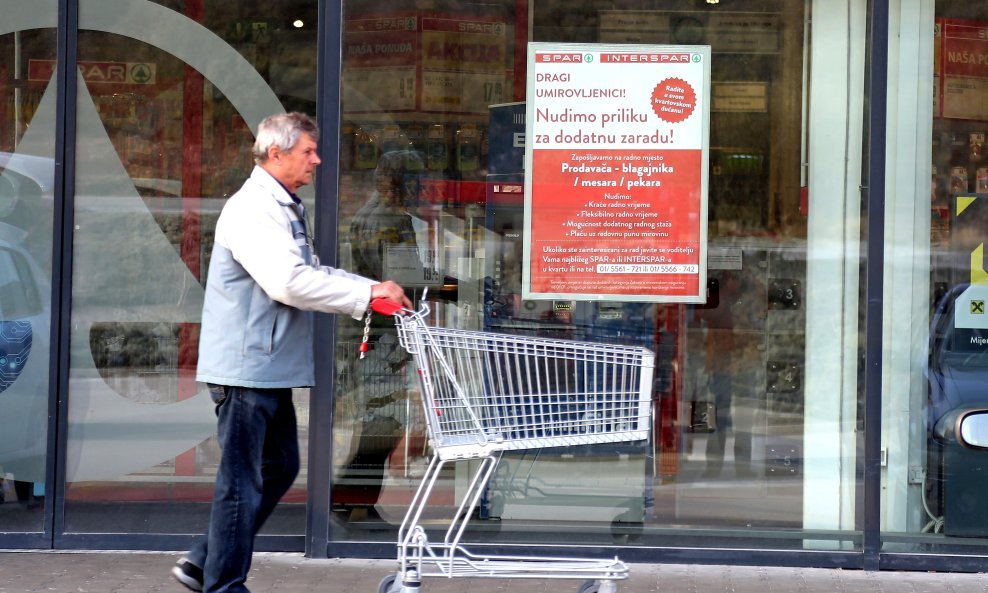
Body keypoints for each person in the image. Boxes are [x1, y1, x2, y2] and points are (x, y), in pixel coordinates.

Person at [171, 112, 411, 593]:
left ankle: (203, 561)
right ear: (275, 154)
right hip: (247, 368)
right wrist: (366, 297)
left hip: (267, 367)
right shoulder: (254, 210)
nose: (317, 159)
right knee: (242, 481)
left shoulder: (282, 206)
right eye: (307, 151)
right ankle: (223, 584)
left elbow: (313, 269)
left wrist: (371, 287)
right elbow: (288, 282)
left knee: (277, 467)